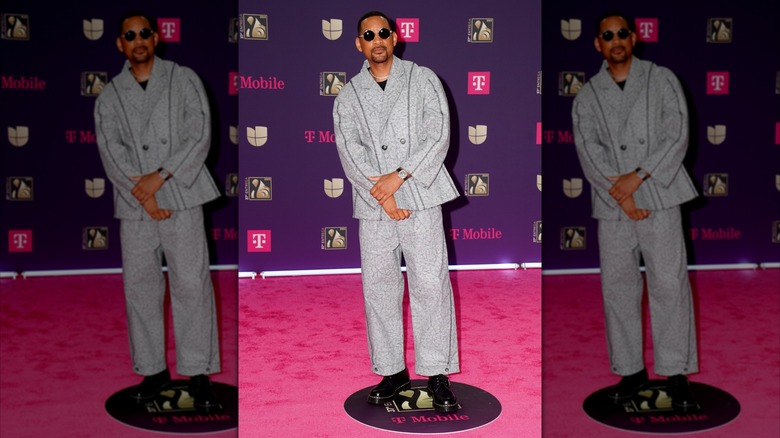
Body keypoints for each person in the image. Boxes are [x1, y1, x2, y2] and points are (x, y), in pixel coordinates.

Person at [333, 10, 461, 413]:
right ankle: (391, 370)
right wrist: (383, 194)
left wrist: (399, 178)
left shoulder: (422, 78)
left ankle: (436, 372)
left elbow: (437, 134)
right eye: (368, 34)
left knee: (430, 285)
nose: (377, 39)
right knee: (380, 291)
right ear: (359, 43)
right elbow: (348, 150)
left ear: (395, 36)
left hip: (419, 196)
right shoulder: (348, 95)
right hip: (375, 207)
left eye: (383, 32)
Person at [94, 11, 221, 412]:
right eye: (130, 35)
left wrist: (160, 178)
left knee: (192, 286)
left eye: (144, 33)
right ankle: (152, 371)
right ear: (120, 44)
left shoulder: (182, 78)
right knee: (141, 291)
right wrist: (144, 193)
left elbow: (198, 133)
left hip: (180, 195)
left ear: (156, 37)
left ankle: (197, 371)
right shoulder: (110, 96)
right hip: (135, 207)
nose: (138, 40)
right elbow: (109, 150)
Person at [571, 11, 699, 412]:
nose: (616, 40)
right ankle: (630, 372)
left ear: (634, 37)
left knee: (670, 286)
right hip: (613, 207)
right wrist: (622, 193)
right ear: (598, 44)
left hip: (658, 195)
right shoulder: (588, 95)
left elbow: (676, 134)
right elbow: (587, 150)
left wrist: (638, 178)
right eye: (607, 35)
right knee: (619, 291)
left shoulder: (660, 78)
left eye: (622, 33)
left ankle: (675, 372)